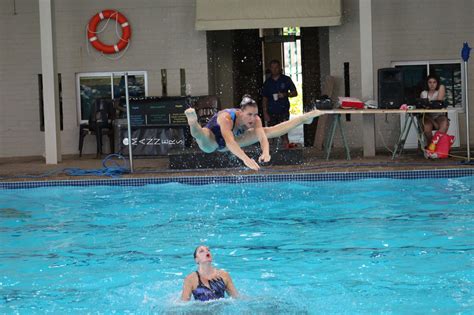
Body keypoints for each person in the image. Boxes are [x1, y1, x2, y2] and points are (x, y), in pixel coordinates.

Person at [185, 95, 324, 171]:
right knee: (201, 134)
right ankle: (193, 121)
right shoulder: (226, 118)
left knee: (268, 130)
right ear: (240, 112)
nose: (253, 118)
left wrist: (266, 152)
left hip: (234, 140)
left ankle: (304, 119)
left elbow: (262, 137)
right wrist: (246, 159)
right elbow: (230, 142)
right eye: (249, 114)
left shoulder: (256, 119)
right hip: (214, 140)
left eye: (255, 114)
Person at [262, 60, 298, 149]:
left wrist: (285, 94)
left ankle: (287, 155)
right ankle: (269, 157)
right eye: (272, 68)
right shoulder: (267, 82)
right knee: (270, 135)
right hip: (271, 112)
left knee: (284, 134)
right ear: (270, 69)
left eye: (276, 67)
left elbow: (295, 93)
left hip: (283, 110)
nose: (274, 70)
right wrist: (265, 113)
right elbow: (264, 98)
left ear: (280, 69)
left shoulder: (286, 79)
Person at [420, 74, 448, 144]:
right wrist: (433, 122)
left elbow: (438, 103)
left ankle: (435, 144)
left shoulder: (439, 90)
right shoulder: (424, 93)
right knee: (426, 127)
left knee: (445, 123)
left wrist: (430, 104)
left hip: (439, 116)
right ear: (427, 83)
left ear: (437, 83)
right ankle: (431, 144)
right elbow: (424, 108)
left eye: (434, 82)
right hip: (428, 117)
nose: (432, 84)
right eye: (430, 82)